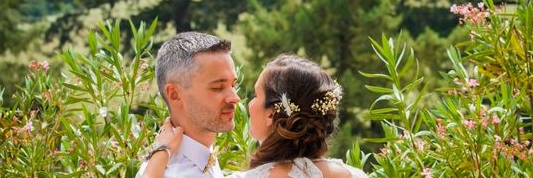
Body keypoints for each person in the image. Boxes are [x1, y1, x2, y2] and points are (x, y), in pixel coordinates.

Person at [145, 54, 367, 178]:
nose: (242, 101)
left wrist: (160, 152)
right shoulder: (354, 175)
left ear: (271, 114)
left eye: (255, 95)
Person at [138, 32, 240, 178]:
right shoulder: (175, 173)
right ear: (174, 94)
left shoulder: (201, 156)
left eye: (233, 85)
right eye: (217, 87)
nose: (235, 98)